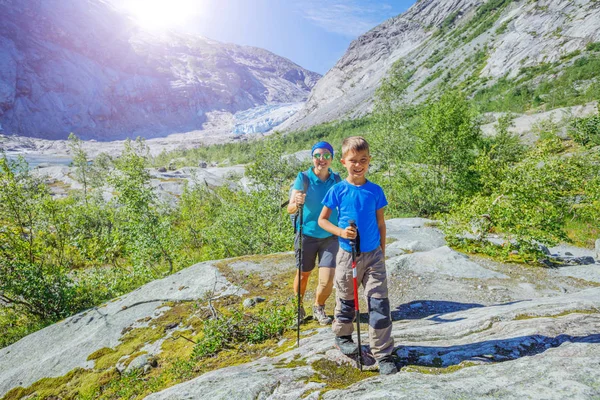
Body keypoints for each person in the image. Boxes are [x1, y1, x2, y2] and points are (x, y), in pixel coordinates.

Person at [318, 136, 397, 375]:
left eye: (363, 160)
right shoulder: (338, 190)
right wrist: (341, 231)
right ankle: (343, 336)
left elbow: (381, 223)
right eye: (353, 160)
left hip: (373, 255)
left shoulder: (375, 191)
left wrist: (382, 252)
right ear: (343, 161)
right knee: (346, 298)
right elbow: (322, 220)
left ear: (369, 160)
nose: (358, 164)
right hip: (346, 255)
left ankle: (383, 353)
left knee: (379, 303)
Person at [288, 141, 341, 325]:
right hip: (307, 234)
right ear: (312, 158)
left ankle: (319, 306)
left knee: (327, 279)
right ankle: (298, 307)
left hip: (330, 236)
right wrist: (297, 203)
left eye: (326, 155)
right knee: (303, 274)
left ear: (332, 159)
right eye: (317, 155)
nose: (322, 159)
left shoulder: (337, 180)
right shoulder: (303, 178)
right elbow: (290, 208)